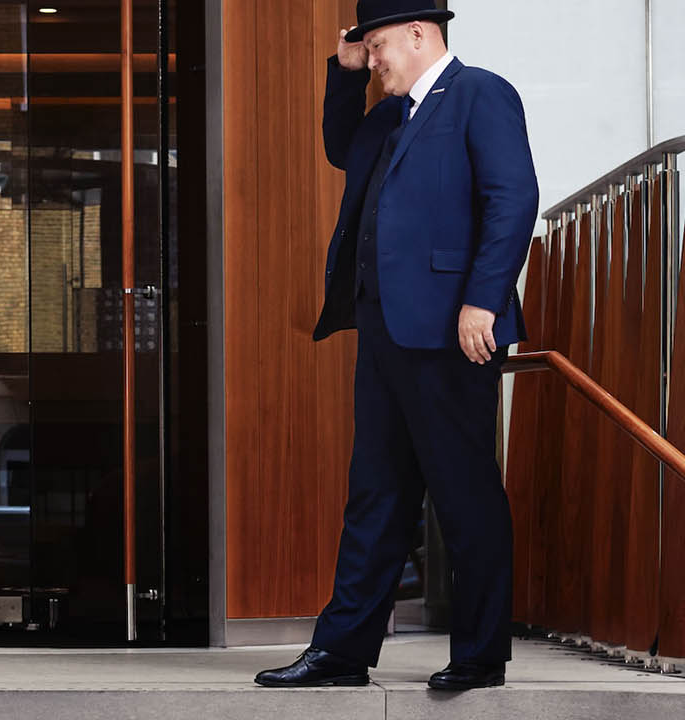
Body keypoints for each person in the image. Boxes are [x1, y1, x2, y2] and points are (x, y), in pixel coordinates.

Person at [253, 0, 538, 691]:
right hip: (383, 328)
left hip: (451, 330)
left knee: (463, 494)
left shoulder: (480, 93)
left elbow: (514, 198)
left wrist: (483, 301)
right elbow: (337, 146)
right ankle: (343, 652)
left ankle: (478, 654)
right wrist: (346, 71)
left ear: (419, 34)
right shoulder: (388, 115)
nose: (374, 58)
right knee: (375, 492)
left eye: (378, 46)